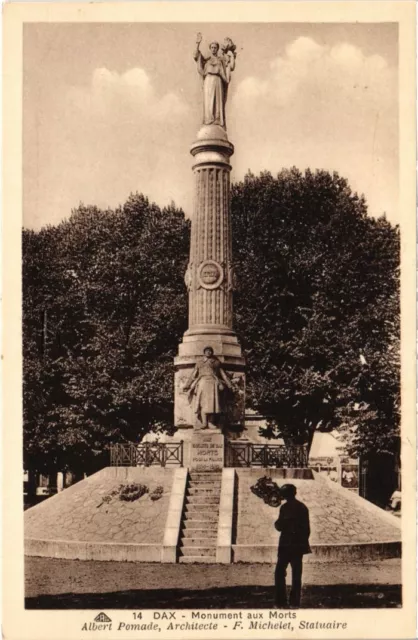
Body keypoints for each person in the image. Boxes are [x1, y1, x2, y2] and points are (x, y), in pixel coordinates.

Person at [274, 484, 311, 608]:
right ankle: (295, 602)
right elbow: (307, 529)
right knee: (296, 574)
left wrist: (277, 524)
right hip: (297, 546)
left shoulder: (284, 508)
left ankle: (281, 601)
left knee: (279, 572)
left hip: (285, 545)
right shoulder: (302, 507)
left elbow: (279, 526)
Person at [183, 346, 233, 429]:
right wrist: (188, 385)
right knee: (203, 403)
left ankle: (210, 422)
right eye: (207, 351)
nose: (208, 352)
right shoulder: (199, 363)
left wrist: (229, 384)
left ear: (212, 352)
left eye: (210, 351)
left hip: (213, 383)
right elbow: (193, 374)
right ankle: (204, 422)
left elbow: (223, 374)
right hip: (202, 382)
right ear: (204, 352)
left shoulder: (216, 362)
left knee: (213, 404)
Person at [194, 33, 236, 128]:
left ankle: (217, 120)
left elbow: (230, 65)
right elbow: (197, 56)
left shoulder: (220, 60)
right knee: (208, 103)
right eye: (212, 47)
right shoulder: (207, 60)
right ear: (210, 48)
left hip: (218, 82)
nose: (213, 49)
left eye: (215, 47)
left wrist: (230, 53)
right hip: (208, 82)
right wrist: (197, 44)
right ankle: (208, 121)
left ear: (217, 49)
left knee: (217, 103)